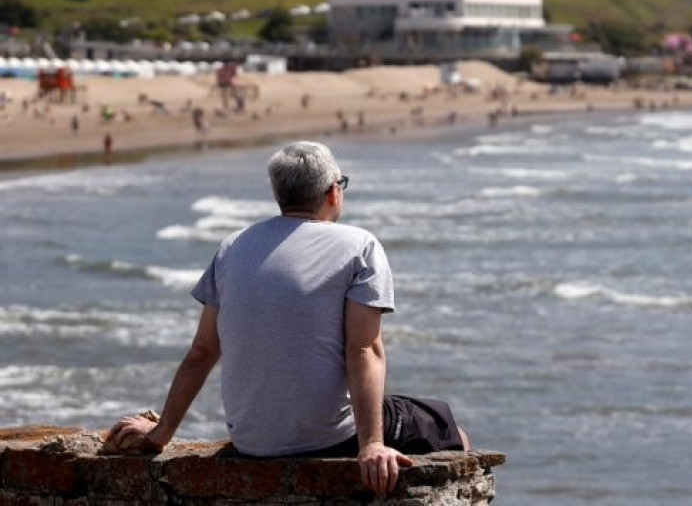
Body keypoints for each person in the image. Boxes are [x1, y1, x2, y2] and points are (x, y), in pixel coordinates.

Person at [106, 141, 467, 496]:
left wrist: (160, 434)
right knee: (444, 426)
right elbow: (364, 349)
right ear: (332, 193)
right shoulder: (360, 246)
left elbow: (202, 351)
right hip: (330, 439)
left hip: (251, 442)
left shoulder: (233, 246)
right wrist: (371, 445)